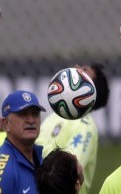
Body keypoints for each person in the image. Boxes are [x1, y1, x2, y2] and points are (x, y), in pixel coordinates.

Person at [36, 63, 110, 194]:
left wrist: (31, 148)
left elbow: (70, 167)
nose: (76, 67)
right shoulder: (54, 116)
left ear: (91, 89)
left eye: (84, 71)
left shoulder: (85, 126)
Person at [0, 90, 46, 193]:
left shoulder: (39, 157)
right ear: (6, 124)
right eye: (23, 114)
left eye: (35, 114)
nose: (31, 120)